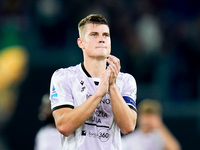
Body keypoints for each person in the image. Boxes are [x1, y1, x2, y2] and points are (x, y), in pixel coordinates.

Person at [49, 14, 137, 150]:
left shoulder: (125, 80)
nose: (102, 39)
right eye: (94, 35)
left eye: (106, 35)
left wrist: (112, 86)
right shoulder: (64, 77)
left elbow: (128, 127)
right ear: (81, 43)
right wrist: (98, 95)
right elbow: (64, 126)